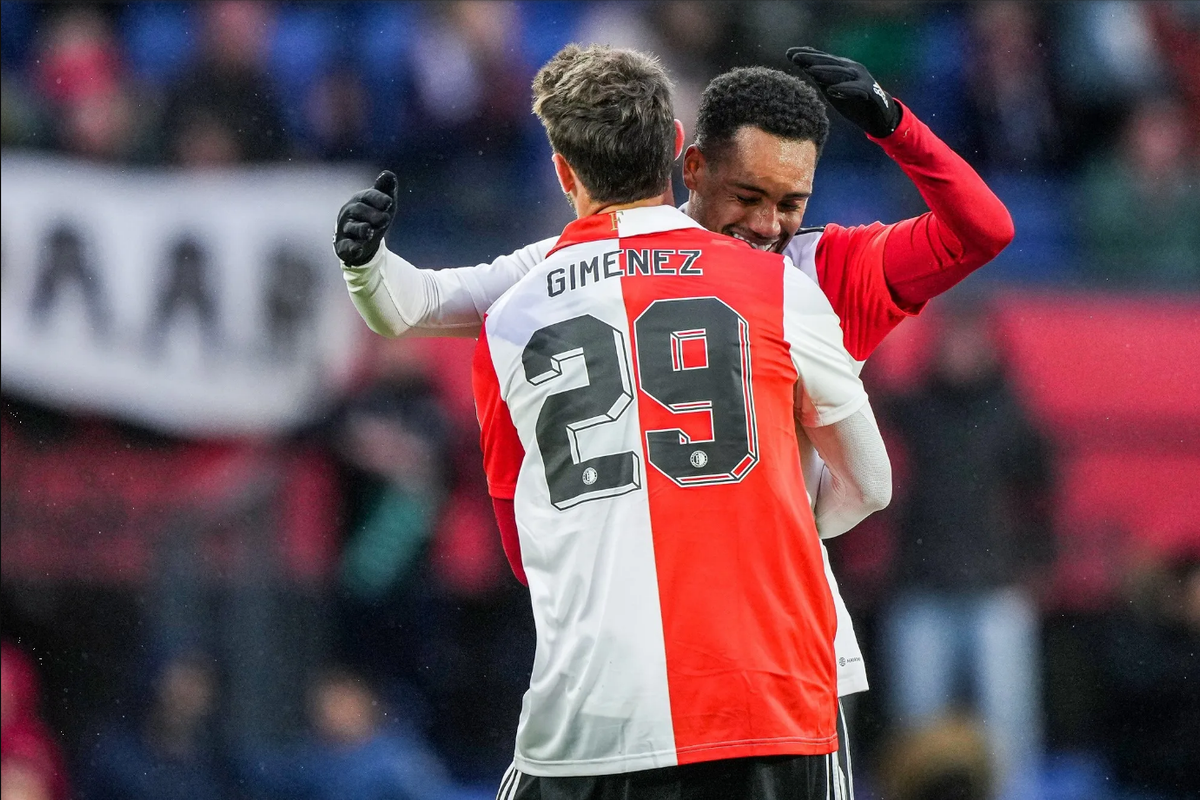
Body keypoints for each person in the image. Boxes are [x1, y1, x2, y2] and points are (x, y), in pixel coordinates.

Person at [333, 45, 1012, 796]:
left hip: (761, 636)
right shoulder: (605, 273)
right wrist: (366, 263)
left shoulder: (815, 268)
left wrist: (895, 125)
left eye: (793, 203)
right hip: (690, 658)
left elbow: (982, 231)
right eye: (748, 195)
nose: (767, 226)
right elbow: (420, 301)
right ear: (689, 168)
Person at [468, 42, 889, 796]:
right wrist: (769, 525)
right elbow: (872, 484)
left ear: (564, 170)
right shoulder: (774, 284)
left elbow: (522, 543)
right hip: (767, 695)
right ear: (675, 149)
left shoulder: (508, 317)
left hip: (594, 710)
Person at [881, 302, 1054, 800]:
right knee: (916, 724)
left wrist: (1037, 563)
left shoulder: (1012, 412)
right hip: (921, 582)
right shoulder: (918, 406)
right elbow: (858, 405)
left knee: (1009, 728)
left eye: (968, 339)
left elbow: (1042, 495)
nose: (958, 351)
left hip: (995, 586)